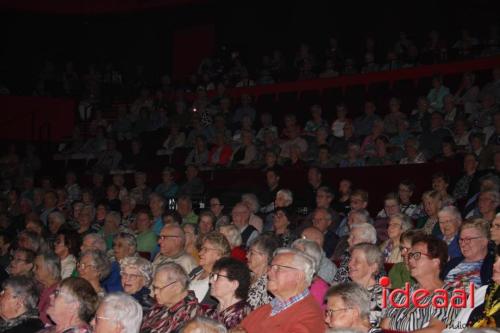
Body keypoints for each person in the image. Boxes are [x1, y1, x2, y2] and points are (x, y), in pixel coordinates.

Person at [381, 234, 458, 332]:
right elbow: (384, 326)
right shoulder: (403, 293)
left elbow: (437, 329)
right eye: (410, 255)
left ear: (436, 261)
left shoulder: (450, 295)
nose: (410, 260)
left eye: (417, 256)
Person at [236, 248, 325, 333]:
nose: (269, 273)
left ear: (299, 276)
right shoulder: (267, 307)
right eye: (271, 267)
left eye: (278, 268)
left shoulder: (311, 317)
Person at [140, 262, 202, 333]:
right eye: (154, 287)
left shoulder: (188, 315)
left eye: (159, 288)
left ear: (176, 287)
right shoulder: (164, 304)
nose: (155, 292)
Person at [444, 218, 495, 288]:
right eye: (461, 239)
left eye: (468, 239)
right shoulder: (452, 263)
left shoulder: (493, 266)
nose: (463, 244)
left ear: (484, 241)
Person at [206, 257, 252, 329]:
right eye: (212, 276)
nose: (210, 281)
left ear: (234, 284)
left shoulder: (241, 317)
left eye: (216, 277)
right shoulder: (212, 311)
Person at [189, 232, 231, 305]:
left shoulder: (220, 280)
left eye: (205, 249)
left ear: (219, 254)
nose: (200, 253)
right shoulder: (196, 271)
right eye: (201, 249)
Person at [348, 243, 384, 328]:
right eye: (350, 259)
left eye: (357, 261)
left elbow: (371, 327)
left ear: (373, 267)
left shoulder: (380, 295)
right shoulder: (346, 290)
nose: (350, 264)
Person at [291, 239, 329, 309]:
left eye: (297, 253)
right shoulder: (289, 277)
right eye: (292, 251)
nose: (290, 256)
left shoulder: (319, 287)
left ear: (311, 260)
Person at [246, 235, 278, 309]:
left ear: (265, 257)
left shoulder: (269, 284)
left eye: (252, 253)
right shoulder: (245, 275)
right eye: (248, 252)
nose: (247, 256)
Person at [33, 252, 61, 325]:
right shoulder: (38, 286)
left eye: (37, 267)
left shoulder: (59, 292)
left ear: (50, 269)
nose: (33, 270)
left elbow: (46, 321)